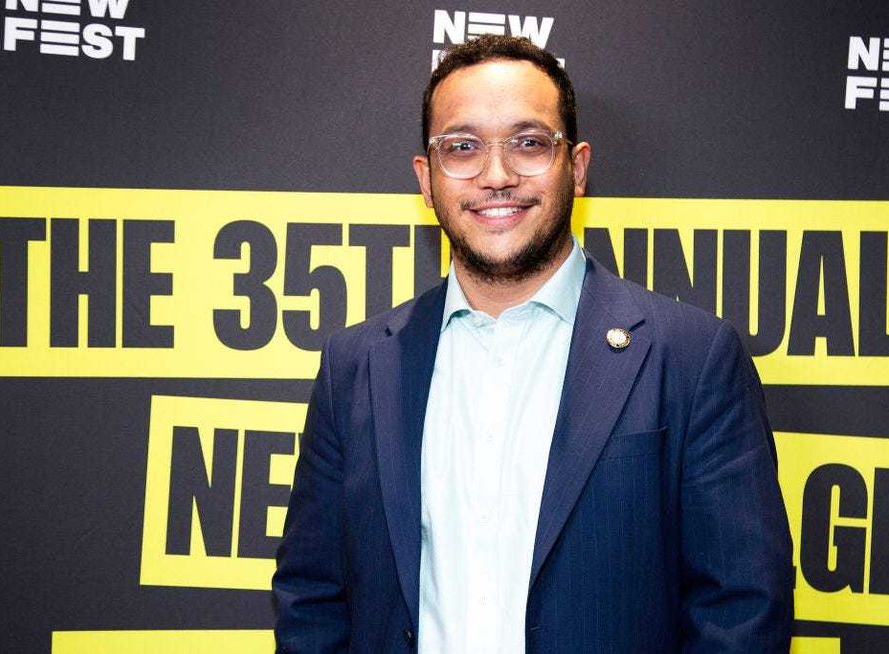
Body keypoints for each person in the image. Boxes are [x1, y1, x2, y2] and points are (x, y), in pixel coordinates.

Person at [273, 35, 794, 653]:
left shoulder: (692, 357)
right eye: (462, 148)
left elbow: (740, 611)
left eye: (528, 142)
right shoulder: (355, 366)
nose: (497, 176)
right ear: (427, 177)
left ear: (575, 166)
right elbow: (312, 599)